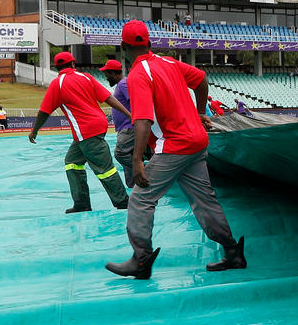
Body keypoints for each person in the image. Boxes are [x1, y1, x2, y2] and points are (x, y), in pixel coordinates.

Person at [104, 20, 245, 279]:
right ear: (149, 43)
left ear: (123, 47)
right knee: (204, 200)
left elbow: (144, 121)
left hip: (174, 145)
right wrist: (200, 111)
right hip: (197, 141)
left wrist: (137, 161)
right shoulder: (169, 62)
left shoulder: (137, 75)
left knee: (141, 198)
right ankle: (233, 251)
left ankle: (141, 259)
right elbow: (201, 79)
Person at [29, 52, 131, 213]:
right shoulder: (87, 77)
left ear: (57, 67)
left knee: (104, 169)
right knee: (72, 162)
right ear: (73, 64)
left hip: (86, 131)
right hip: (94, 127)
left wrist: (34, 131)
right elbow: (108, 98)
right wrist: (128, 113)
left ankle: (123, 202)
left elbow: (44, 111)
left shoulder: (58, 83)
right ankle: (81, 203)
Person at [100, 59, 152, 187]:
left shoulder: (123, 84)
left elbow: (137, 101)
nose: (106, 77)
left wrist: (135, 120)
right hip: (127, 127)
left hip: (129, 128)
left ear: (113, 73)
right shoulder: (122, 84)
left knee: (121, 154)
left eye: (106, 74)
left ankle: (147, 171)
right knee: (131, 155)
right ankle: (134, 184)